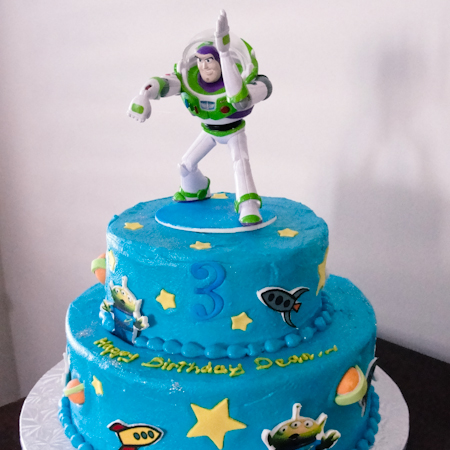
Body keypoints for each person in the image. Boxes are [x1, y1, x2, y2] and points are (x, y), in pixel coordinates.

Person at [128, 10, 272, 226]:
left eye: (210, 60)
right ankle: (196, 189)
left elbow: (240, 99)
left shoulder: (253, 81)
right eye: (201, 61)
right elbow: (162, 83)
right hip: (209, 131)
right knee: (185, 166)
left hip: (234, 132)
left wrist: (224, 53)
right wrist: (144, 95)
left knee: (240, 164)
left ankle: (248, 205)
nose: (204, 66)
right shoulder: (190, 79)